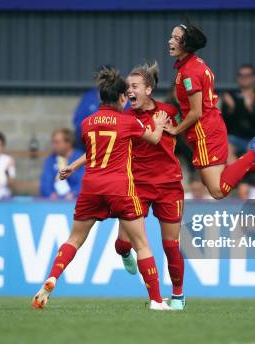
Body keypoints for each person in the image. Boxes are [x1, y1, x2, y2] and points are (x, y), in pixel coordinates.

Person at [32, 66, 173, 311]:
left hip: (91, 186)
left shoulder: (86, 124)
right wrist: (159, 123)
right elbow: (154, 139)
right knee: (141, 244)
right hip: (119, 186)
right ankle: (157, 301)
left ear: (100, 98)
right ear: (121, 98)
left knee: (74, 239)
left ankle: (53, 276)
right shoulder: (128, 121)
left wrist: (74, 167)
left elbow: (95, 151)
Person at [165, 23, 255, 200]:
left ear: (187, 44)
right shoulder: (196, 64)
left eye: (175, 38)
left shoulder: (189, 73)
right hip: (208, 127)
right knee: (208, 181)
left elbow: (196, 112)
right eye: (171, 36)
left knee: (217, 191)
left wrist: (175, 129)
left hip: (204, 131)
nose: (170, 41)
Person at [114, 62, 186, 309]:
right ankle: (124, 253)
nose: (129, 90)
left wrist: (174, 127)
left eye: (134, 86)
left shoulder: (168, 111)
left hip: (169, 185)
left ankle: (178, 296)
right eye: (127, 87)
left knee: (170, 245)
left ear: (148, 89)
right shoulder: (125, 118)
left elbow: (187, 131)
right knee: (123, 243)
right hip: (137, 186)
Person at [222, 64, 255, 160]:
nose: (244, 78)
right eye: (241, 75)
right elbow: (224, 124)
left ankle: (248, 172)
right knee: (225, 148)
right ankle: (235, 174)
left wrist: (250, 108)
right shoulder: (231, 97)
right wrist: (231, 109)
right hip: (235, 137)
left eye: (247, 75)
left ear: (254, 78)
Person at [39, 128, 84, 199]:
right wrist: (51, 194)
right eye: (53, 142)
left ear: (69, 143)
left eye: (57, 142)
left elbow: (84, 182)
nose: (53, 146)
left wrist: (73, 193)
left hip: (76, 201)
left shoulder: (81, 159)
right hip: (54, 203)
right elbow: (46, 183)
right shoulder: (50, 160)